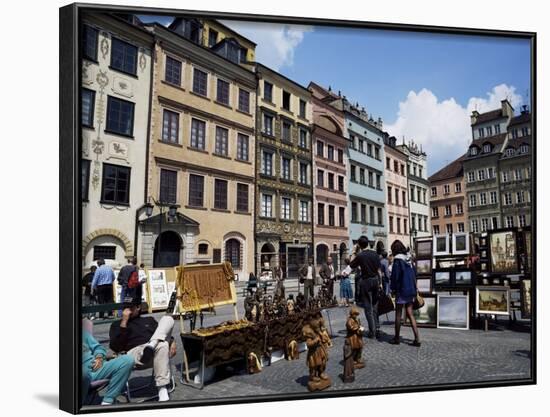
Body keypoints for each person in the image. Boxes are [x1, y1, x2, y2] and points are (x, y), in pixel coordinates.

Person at [109, 302, 177, 401]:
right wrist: (124, 322)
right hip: (134, 353)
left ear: (138, 307)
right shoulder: (116, 325)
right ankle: (162, 389)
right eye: (125, 308)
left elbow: (162, 333)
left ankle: (152, 344)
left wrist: (172, 340)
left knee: (168, 319)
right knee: (162, 344)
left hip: (154, 352)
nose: (127, 310)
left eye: (130, 307)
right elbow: (116, 347)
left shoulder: (149, 320)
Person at [82, 329, 134, 405]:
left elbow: (98, 347)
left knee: (127, 360)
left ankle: (107, 401)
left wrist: (99, 357)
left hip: (96, 368)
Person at [389, 239, 421, 347]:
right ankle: (417, 338)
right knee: (410, 313)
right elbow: (415, 274)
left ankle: (397, 337)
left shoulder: (398, 260)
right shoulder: (409, 259)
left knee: (398, 314)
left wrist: (393, 289)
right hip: (410, 289)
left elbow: (395, 276)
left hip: (402, 289)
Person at [349, 236, 382, 339]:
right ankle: (377, 328)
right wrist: (380, 283)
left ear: (359, 244)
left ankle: (372, 332)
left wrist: (354, 252)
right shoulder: (375, 254)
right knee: (375, 305)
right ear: (367, 243)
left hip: (366, 281)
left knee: (368, 307)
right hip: (375, 280)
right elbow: (379, 271)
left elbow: (351, 264)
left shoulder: (360, 255)